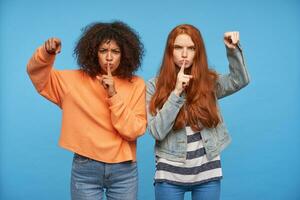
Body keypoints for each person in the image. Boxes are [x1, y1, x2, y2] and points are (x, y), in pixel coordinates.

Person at [27, 21, 147, 200]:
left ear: (125, 54)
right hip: (85, 169)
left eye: (115, 51)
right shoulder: (73, 81)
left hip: (124, 171)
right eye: (103, 51)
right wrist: (46, 52)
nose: (109, 58)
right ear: (93, 52)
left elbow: (134, 131)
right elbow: (38, 75)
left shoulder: (136, 84)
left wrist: (113, 95)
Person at [146, 24, 250, 200]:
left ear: (198, 52)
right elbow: (156, 131)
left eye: (191, 48)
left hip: (207, 172)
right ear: (170, 51)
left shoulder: (208, 82)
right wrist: (176, 92)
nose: (184, 54)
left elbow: (240, 80)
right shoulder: (154, 86)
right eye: (178, 47)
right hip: (170, 174)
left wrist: (233, 50)